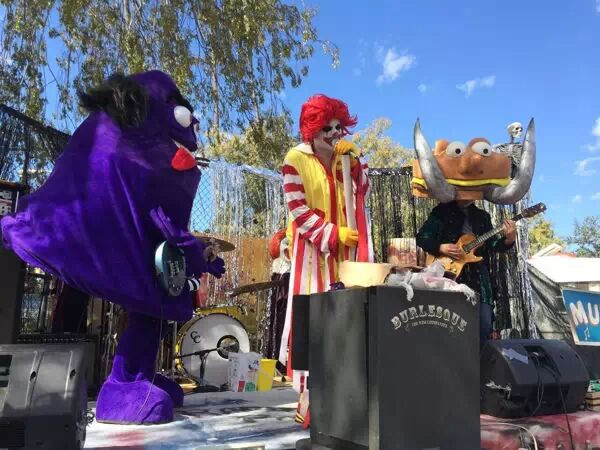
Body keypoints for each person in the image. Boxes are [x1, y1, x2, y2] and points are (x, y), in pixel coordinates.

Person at [278, 94, 373, 426]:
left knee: (350, 321)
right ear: (312, 129)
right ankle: (309, 397)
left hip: (348, 257)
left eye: (338, 128)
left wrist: (356, 161)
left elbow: (364, 189)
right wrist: (332, 234)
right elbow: (298, 209)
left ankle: (346, 396)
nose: (334, 134)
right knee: (314, 322)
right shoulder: (295, 159)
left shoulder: (345, 158)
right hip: (313, 257)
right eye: (327, 128)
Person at [416, 200, 516, 344]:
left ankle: (481, 356)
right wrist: (440, 247)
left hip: (479, 280)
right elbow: (422, 238)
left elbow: (493, 244)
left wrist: (509, 239)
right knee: (447, 324)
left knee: (483, 324)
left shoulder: (482, 216)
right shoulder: (441, 211)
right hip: (448, 276)